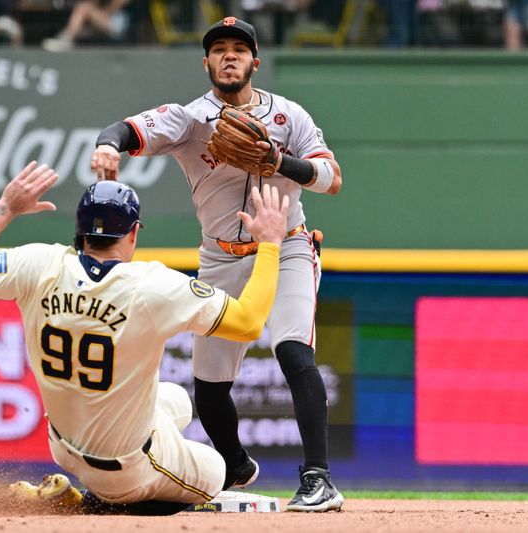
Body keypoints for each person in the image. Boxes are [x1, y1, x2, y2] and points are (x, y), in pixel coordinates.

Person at [90, 17, 344, 512]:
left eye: (239, 49)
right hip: (221, 257)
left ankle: (318, 478)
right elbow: (127, 128)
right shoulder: (189, 119)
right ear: (206, 62)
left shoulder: (288, 115)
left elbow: (331, 178)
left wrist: (279, 162)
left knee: (294, 353)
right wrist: (107, 144)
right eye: (219, 49)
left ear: (255, 61)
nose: (230, 56)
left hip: (286, 245)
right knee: (209, 388)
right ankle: (236, 464)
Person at [0, 161, 288, 514]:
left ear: (81, 231)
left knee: (177, 399)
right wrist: (270, 244)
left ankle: (98, 486)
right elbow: (247, 323)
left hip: (61, 444)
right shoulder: (152, 286)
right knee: (216, 470)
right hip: (124, 470)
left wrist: (7, 207)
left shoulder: (40, 264)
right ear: (134, 232)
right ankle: (99, 503)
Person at [42, 0, 131, 51]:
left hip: (118, 23)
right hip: (101, 24)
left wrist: (104, 14)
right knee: (80, 25)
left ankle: (66, 39)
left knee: (83, 8)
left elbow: (121, 2)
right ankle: (65, 38)